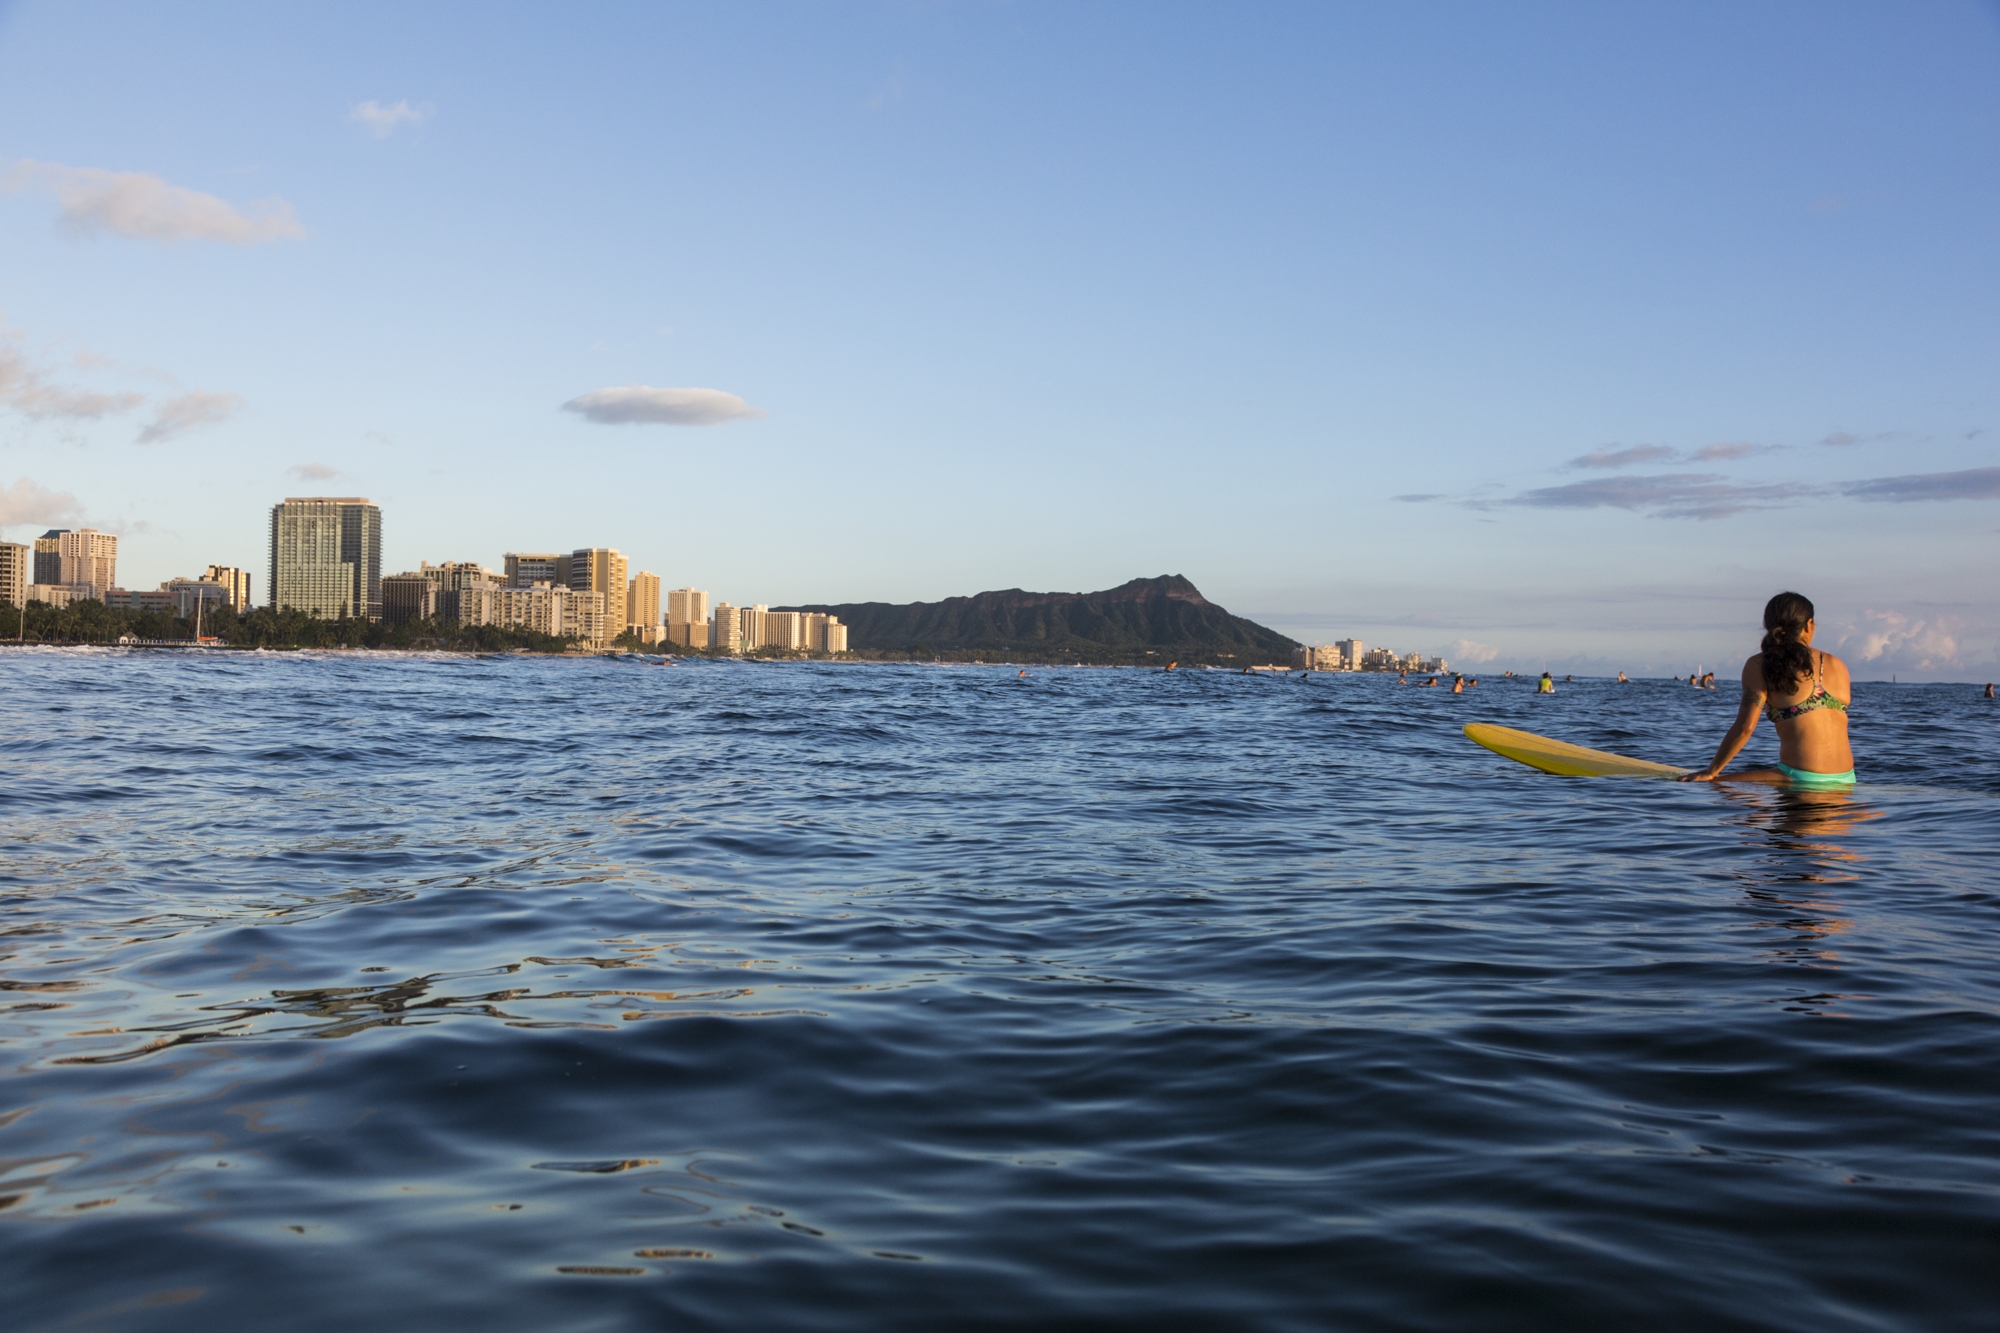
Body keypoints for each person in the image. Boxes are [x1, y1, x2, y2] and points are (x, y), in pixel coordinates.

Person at [1681, 591, 1853, 787]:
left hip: (1801, 777)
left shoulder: (1760, 664)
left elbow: (1745, 727)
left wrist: (1711, 771)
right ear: (1808, 624)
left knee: (1711, 785)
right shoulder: (1837, 664)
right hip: (1846, 780)